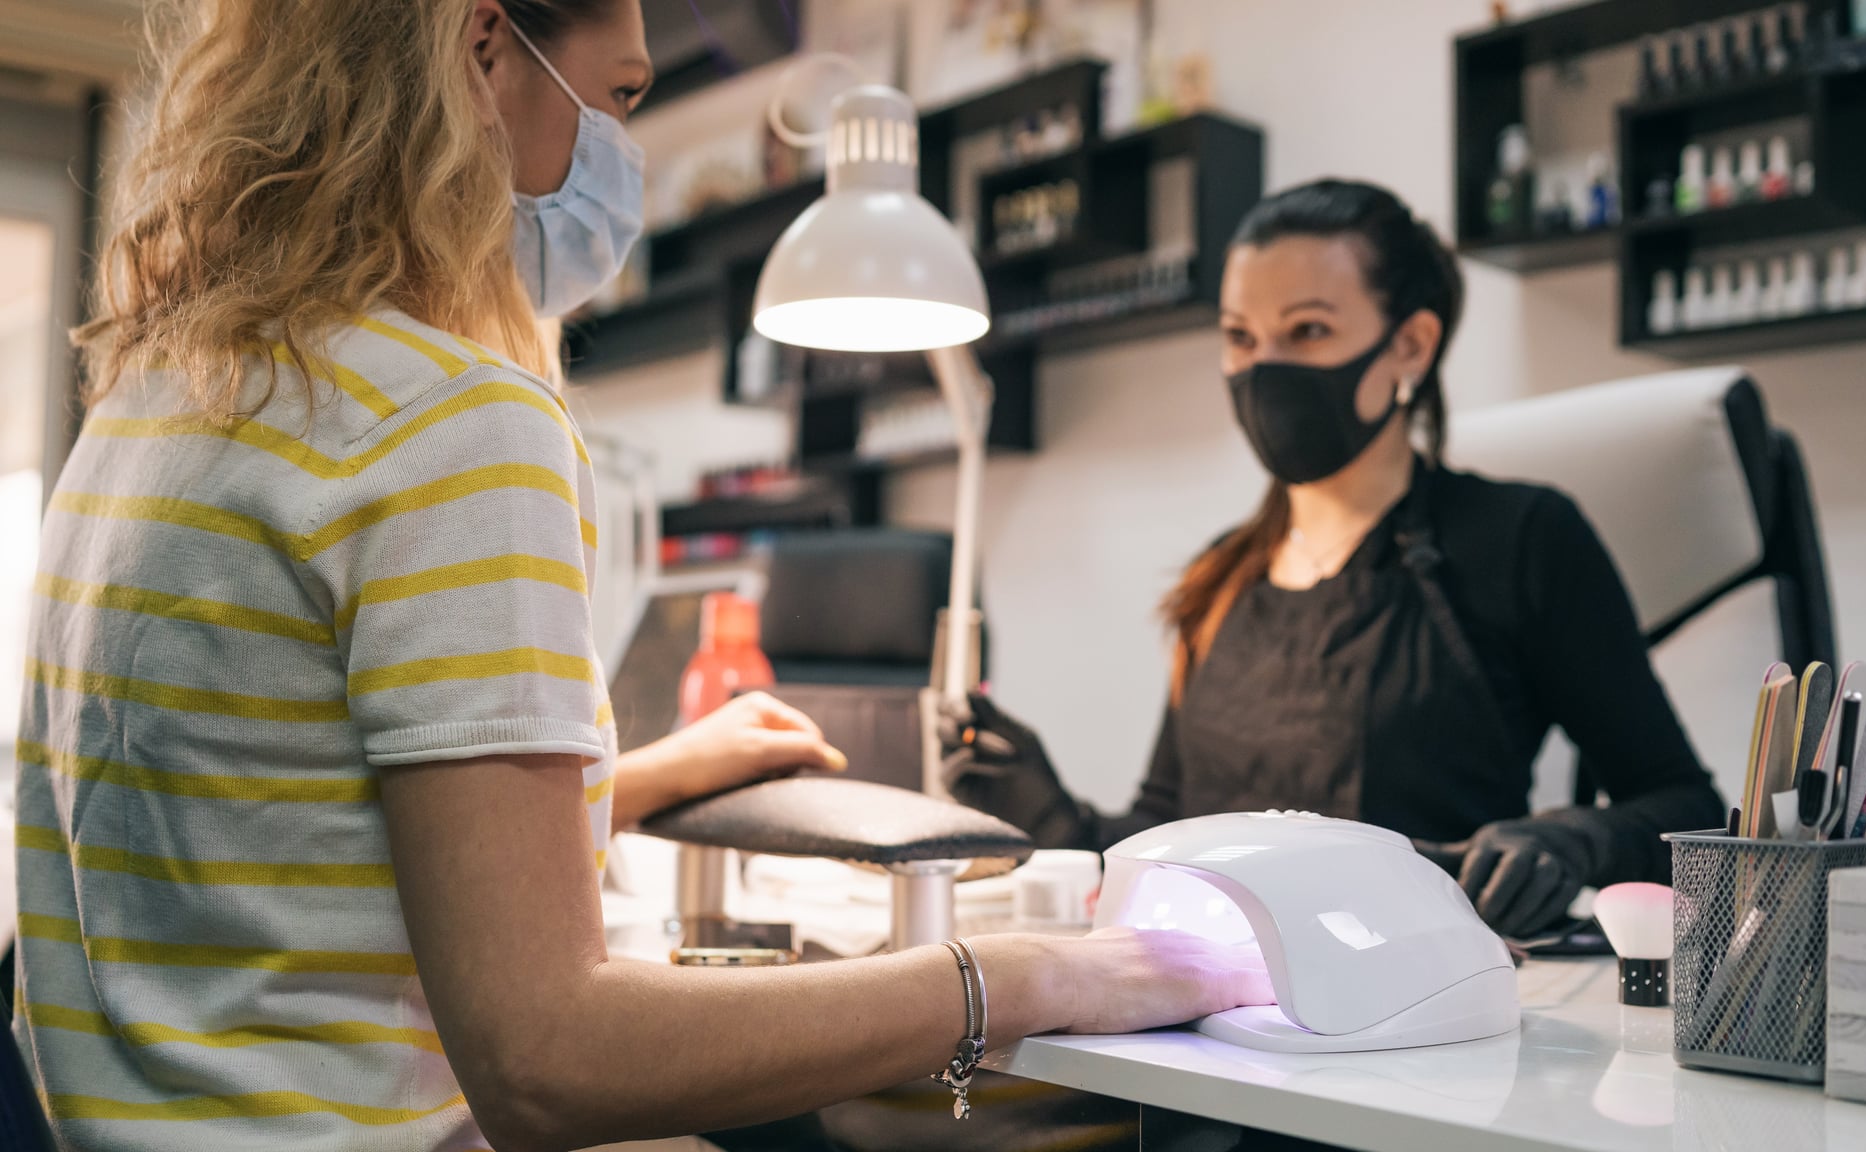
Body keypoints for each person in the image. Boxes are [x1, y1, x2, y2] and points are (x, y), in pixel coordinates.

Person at [10, 2, 1269, 1150]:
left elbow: (273, 820)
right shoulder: (449, 424)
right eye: (619, 98)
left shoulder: (161, 402)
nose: (627, 153)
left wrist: (644, 777)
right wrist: (1019, 978)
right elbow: (548, 1059)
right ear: (486, 50)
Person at [948, 179, 1726, 940]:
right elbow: (1168, 831)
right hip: (1209, 1016)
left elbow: (1684, 806)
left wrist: (1572, 840)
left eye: (1308, 332)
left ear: (1410, 345)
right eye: (1241, 338)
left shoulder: (1521, 538)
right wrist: (1048, 812)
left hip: (1418, 1019)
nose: (1264, 371)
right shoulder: (1219, 580)